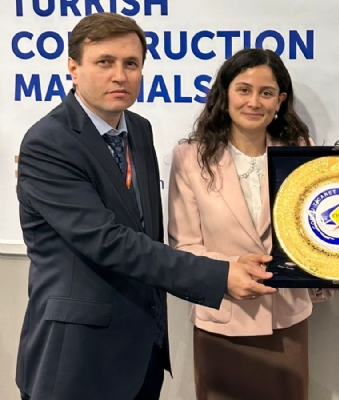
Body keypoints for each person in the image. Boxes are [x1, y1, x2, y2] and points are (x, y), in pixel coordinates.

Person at [15, 13, 277, 400]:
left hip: (142, 353)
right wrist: (219, 275)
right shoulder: (48, 143)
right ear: (73, 67)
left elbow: (145, 233)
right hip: (77, 358)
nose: (120, 76)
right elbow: (108, 242)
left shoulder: (138, 129)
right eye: (105, 62)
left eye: (131, 63)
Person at [168, 48, 331, 400]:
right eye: (243, 90)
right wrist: (228, 272)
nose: (254, 102)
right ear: (225, 94)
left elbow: (318, 233)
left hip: (286, 318)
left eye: (266, 93)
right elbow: (184, 246)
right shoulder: (190, 157)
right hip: (221, 322)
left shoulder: (302, 150)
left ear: (280, 101)